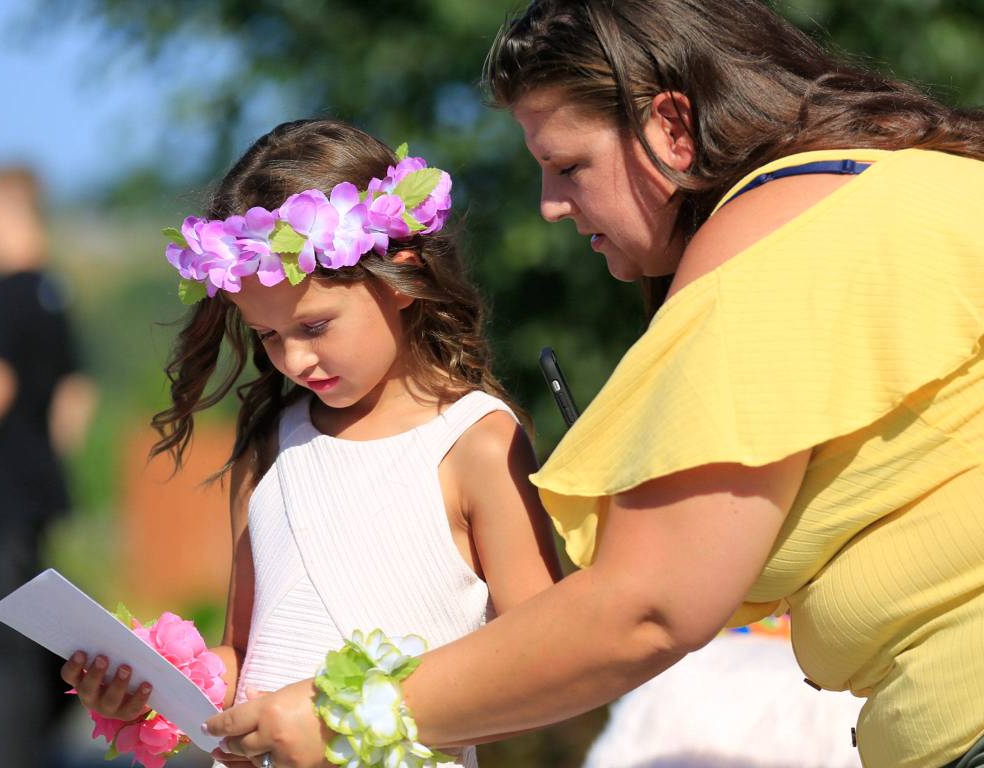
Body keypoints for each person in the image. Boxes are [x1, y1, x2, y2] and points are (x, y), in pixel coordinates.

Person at [201, 2, 984, 768]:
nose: (548, 206)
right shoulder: (933, 183)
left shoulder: (758, 260)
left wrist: (355, 715)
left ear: (673, 128)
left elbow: (644, 611)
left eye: (570, 166)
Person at [60, 119, 562, 768]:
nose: (293, 359)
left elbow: (548, 664)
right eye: (267, 336)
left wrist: (361, 718)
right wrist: (155, 689)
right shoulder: (273, 440)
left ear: (401, 275)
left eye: (315, 325)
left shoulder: (476, 443)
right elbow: (244, 656)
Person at [0, 166, 97, 767]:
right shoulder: (52, 292)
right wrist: (39, 463)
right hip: (33, 494)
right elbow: (76, 398)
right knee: (20, 632)